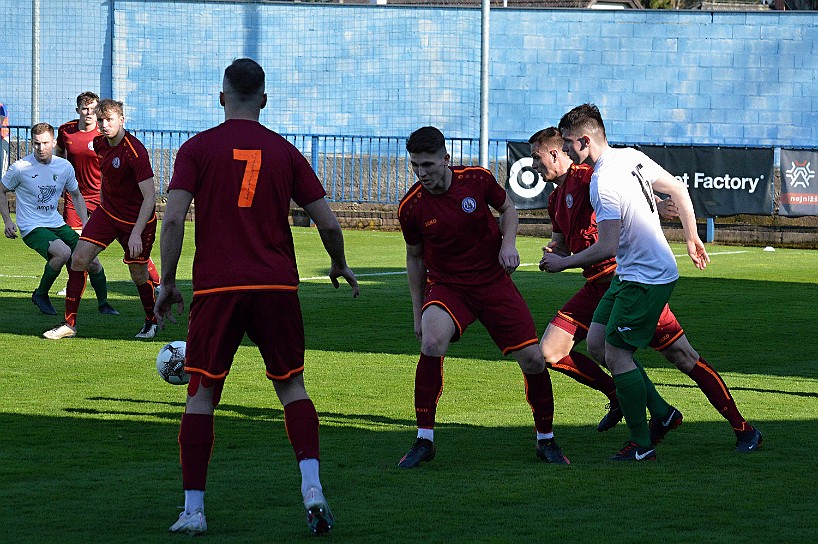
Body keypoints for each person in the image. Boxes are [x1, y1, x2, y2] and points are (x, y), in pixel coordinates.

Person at [154, 58, 359, 537]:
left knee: (202, 393)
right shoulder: (285, 151)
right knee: (292, 387)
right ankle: (312, 488)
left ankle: (195, 510)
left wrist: (167, 282)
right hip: (275, 286)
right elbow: (328, 221)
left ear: (221, 97)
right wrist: (338, 262)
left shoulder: (197, 148)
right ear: (264, 100)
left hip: (218, 287)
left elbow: (171, 219)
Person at [531, 126, 762, 453]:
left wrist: (657, 204)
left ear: (555, 152)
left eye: (537, 157)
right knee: (564, 350)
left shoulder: (589, 175)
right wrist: (554, 253)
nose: (534, 165)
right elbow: (561, 241)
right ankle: (633, 401)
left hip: (625, 275)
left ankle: (739, 428)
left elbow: (624, 195)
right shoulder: (556, 199)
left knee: (680, 355)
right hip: (598, 283)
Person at [396, 126, 569, 469]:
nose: (422, 173)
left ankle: (545, 440)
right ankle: (424, 439)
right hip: (448, 287)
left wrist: (508, 245)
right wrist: (417, 313)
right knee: (431, 342)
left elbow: (509, 210)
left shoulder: (476, 179)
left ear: (446, 159)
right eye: (416, 165)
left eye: (428, 164)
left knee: (534, 360)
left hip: (493, 283)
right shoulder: (411, 206)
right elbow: (414, 258)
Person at [548, 103, 708, 462]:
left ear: (585, 141)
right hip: (631, 273)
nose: (569, 151)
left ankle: (642, 443)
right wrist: (691, 237)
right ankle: (663, 413)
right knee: (598, 344)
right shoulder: (629, 156)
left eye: (570, 143)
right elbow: (679, 190)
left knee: (619, 353)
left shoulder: (602, 182)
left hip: (645, 277)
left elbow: (605, 246)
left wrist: (563, 263)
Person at [63, 98, 160, 340]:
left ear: (122, 120)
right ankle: (69, 324)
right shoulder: (100, 143)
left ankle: (151, 320)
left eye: (109, 120)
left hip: (137, 222)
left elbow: (150, 198)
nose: (104, 125)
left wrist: (137, 232)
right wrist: (103, 203)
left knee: (138, 274)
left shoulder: (135, 152)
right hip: (108, 213)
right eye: (101, 120)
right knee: (79, 257)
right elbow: (107, 176)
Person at [0, 123, 101, 339]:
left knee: (91, 259)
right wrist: (8, 220)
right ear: (32, 143)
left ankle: (104, 305)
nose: (41, 147)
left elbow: (75, 194)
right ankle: (41, 294)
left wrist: (86, 223)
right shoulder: (20, 168)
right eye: (36, 143)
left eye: (45, 143)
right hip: (31, 226)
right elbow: (1, 190)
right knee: (63, 253)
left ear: (54, 143)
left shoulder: (64, 166)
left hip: (56, 222)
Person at [54, 91, 118, 315]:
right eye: (85, 109)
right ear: (78, 110)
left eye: (93, 109)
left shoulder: (104, 133)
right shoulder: (66, 131)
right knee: (77, 248)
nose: (89, 113)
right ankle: (75, 288)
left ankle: (156, 282)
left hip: (102, 197)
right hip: (74, 197)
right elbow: (59, 152)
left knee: (128, 242)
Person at [0, 102, 9, 177]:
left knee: (3, 161)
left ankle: (2, 180)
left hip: (3, 136)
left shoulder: (2, 107)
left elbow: (1, 120)